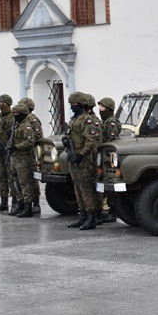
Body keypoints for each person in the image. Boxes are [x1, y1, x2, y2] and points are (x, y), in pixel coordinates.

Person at [65, 92, 102, 231]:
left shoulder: (88, 120)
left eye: (73, 104)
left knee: (86, 188)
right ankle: (82, 215)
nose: (71, 107)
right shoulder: (74, 120)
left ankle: (91, 216)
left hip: (85, 159)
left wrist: (81, 154)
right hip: (74, 157)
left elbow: (91, 141)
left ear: (80, 104)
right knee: (77, 187)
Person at [8, 102, 38, 219]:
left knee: (25, 182)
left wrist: (17, 147)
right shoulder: (16, 125)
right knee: (16, 182)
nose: (15, 115)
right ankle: (20, 203)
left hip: (24, 158)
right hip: (15, 157)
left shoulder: (27, 126)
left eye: (17, 113)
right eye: (13, 113)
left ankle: (28, 206)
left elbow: (30, 142)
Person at [95, 97, 122, 223]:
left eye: (102, 107)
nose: (100, 109)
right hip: (103, 157)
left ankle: (113, 211)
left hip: (109, 157)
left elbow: (112, 140)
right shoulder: (104, 121)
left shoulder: (111, 122)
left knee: (111, 185)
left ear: (109, 109)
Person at [20, 97, 42, 216]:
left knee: (32, 179)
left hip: (31, 152)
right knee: (22, 180)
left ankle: (36, 203)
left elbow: (39, 136)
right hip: (22, 153)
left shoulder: (33, 120)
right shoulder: (21, 120)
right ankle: (24, 202)